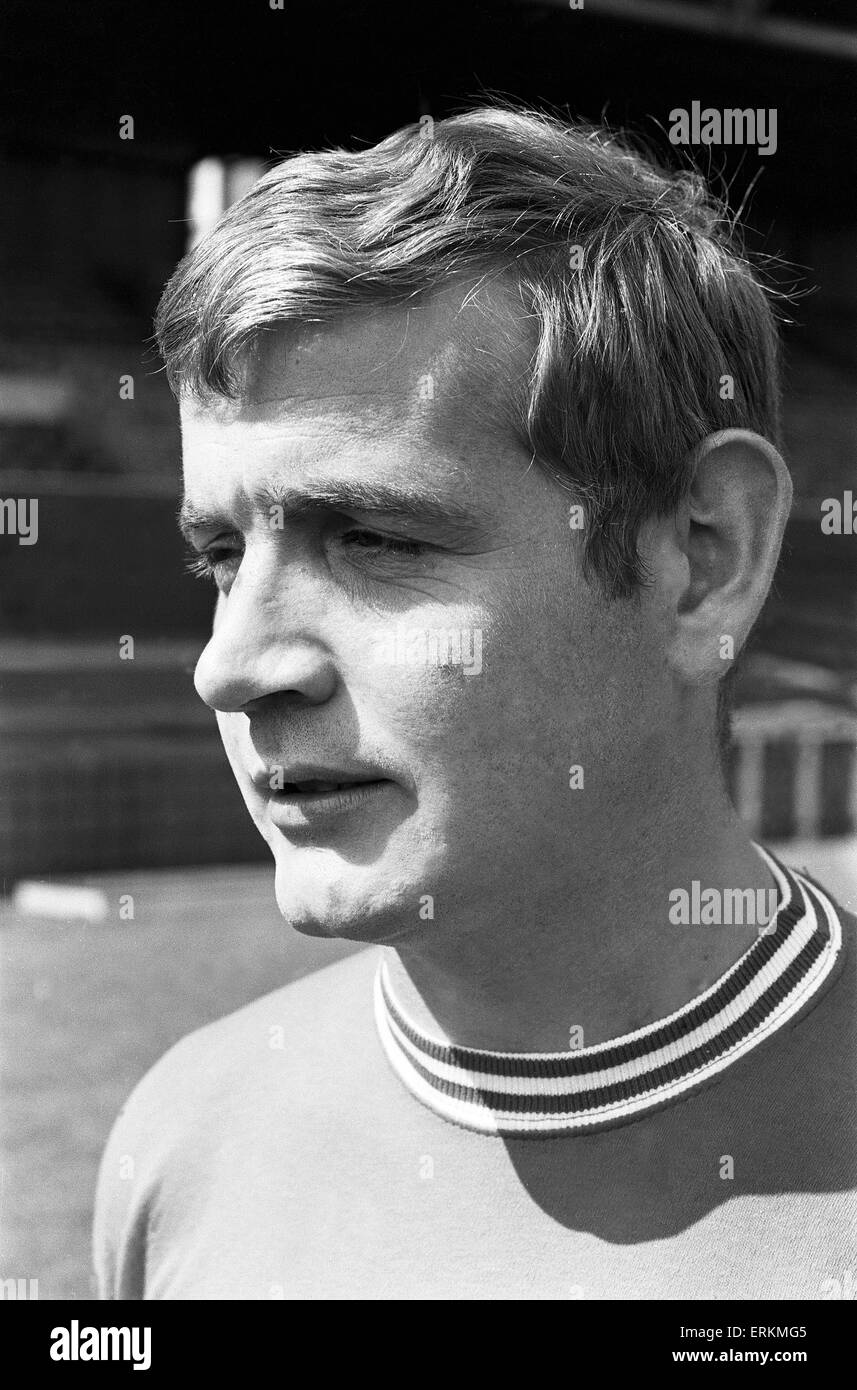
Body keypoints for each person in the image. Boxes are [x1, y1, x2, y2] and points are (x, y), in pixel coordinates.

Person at [94, 105, 855, 1300]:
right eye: (221, 558)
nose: (231, 666)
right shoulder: (183, 1143)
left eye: (378, 538)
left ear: (702, 557)